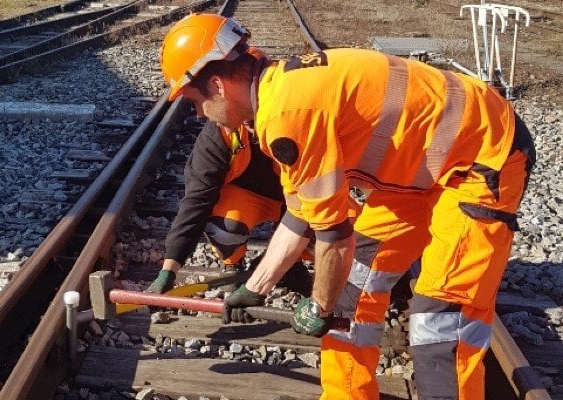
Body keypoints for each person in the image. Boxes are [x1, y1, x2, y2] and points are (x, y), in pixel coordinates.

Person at [158, 13, 535, 400]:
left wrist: (319, 306)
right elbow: (301, 212)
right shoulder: (278, 96)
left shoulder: (288, 114)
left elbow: (334, 237)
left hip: (481, 159)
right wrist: (257, 287)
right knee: (353, 288)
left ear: (218, 85)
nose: (199, 114)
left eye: (196, 103)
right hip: (418, 171)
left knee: (441, 317)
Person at [145, 117, 313, 296]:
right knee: (224, 228)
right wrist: (168, 271)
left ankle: (291, 266)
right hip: (247, 197)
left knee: (324, 234)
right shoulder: (221, 131)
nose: (199, 114)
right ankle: (233, 263)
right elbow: (197, 201)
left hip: (300, 199)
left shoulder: (298, 121)